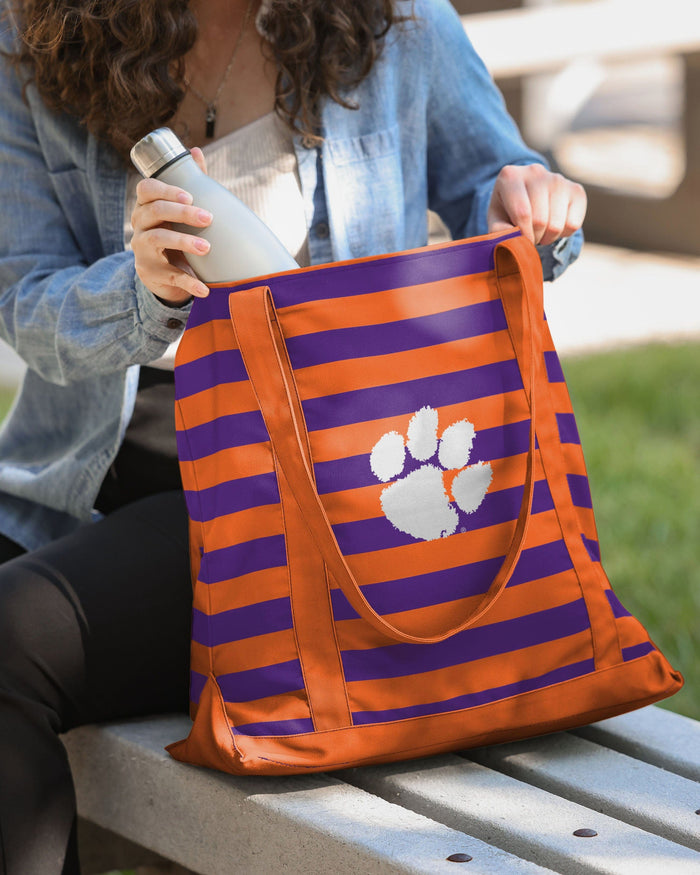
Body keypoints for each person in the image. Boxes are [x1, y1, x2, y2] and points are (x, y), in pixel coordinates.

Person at [0, 0, 586, 871]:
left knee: (10, 642)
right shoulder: (33, 30)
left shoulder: (399, 21)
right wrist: (143, 292)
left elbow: (498, 188)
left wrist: (536, 206)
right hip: (87, 480)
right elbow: (26, 297)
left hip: (313, 493)